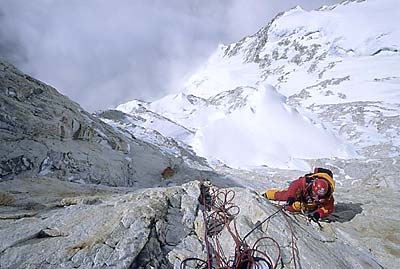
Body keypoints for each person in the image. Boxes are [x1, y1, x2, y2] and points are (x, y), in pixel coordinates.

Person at [263, 168, 335, 221]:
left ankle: (289, 207)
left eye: (319, 196)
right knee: (285, 196)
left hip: (310, 203)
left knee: (295, 207)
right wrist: (291, 196)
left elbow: (328, 208)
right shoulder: (305, 182)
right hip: (302, 193)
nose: (316, 197)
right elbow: (295, 186)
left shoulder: (328, 197)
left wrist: (319, 214)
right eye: (315, 194)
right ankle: (268, 194)